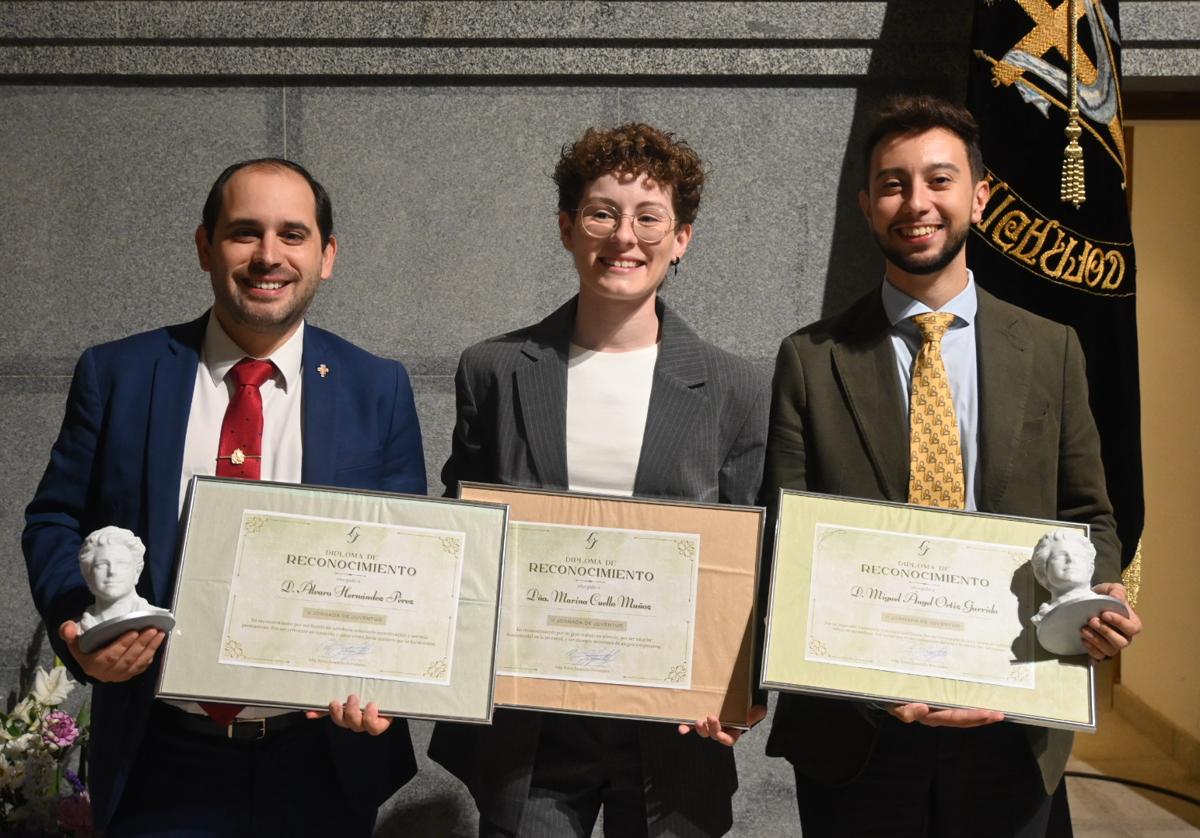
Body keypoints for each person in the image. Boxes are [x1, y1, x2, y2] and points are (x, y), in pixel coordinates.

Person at [761, 95, 1142, 836]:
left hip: (1014, 715)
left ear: (980, 195)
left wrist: (1098, 597)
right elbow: (788, 539)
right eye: (895, 183)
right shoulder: (810, 361)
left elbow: (1090, 518)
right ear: (868, 205)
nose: (918, 202)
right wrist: (872, 684)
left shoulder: (1053, 348)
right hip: (856, 733)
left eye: (939, 179)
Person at [23, 158, 426, 835]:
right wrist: (75, 626)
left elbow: (406, 555)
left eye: (293, 235)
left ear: (327, 256)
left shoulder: (376, 388)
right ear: (205, 246)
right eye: (245, 232)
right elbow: (56, 518)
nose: (269, 256)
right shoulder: (119, 373)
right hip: (160, 759)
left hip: (323, 759)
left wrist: (389, 675)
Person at [424, 123, 768, 837]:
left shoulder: (737, 388)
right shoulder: (493, 370)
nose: (624, 238)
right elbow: (465, 534)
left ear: (682, 240)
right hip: (532, 722)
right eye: (602, 213)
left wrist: (743, 685)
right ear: (566, 228)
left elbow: (750, 560)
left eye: (650, 218)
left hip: (674, 721)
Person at [76, 527, 166, 631]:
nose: (112, 571)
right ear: (88, 575)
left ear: (137, 572)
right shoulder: (80, 629)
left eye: (122, 564)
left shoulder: (157, 619)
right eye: (102, 565)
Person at [1031, 529, 1100, 620]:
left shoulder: (1103, 606)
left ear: (1090, 568)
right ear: (1043, 572)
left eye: (1078, 555)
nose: (1070, 560)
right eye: (1060, 556)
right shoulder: (1043, 616)